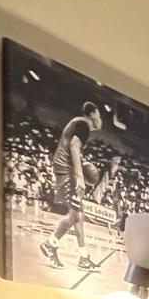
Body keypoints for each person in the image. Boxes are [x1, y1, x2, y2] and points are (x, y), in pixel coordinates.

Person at [39, 102, 115, 270]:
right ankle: (50, 244)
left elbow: (72, 146)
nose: (101, 120)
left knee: (78, 215)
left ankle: (84, 257)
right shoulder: (83, 124)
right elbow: (74, 145)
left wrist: (82, 163)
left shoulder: (78, 123)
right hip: (65, 171)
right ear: (93, 114)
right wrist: (80, 176)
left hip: (66, 169)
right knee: (74, 216)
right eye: (100, 116)